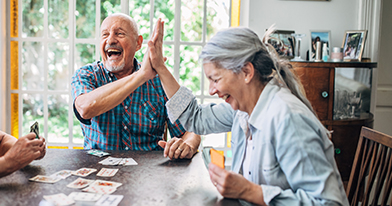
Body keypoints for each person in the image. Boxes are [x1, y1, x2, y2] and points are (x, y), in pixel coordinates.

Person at [144, 20, 349, 205]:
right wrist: (160, 68)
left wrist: (248, 191)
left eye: (216, 79)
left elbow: (329, 203)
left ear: (247, 72)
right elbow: (195, 118)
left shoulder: (288, 119)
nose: (211, 90)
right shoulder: (243, 110)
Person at [71, 13, 200, 159]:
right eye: (105, 34)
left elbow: (190, 130)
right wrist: (140, 76)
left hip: (148, 173)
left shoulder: (159, 80)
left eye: (119, 34)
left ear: (138, 43)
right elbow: (85, 108)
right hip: (98, 171)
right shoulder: (86, 75)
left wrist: (187, 145)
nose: (111, 40)